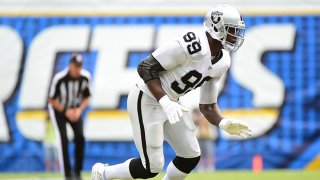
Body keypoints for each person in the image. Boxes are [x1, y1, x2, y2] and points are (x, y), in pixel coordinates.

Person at [91, 4, 251, 180]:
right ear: (216, 28)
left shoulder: (223, 61)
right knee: (151, 167)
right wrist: (165, 102)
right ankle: (102, 174)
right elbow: (145, 67)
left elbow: (207, 106)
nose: (235, 36)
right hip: (147, 98)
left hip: (172, 103)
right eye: (232, 30)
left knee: (190, 155)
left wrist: (223, 122)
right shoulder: (193, 45)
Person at [48, 53, 91, 180]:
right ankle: (67, 174)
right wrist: (66, 111)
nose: (77, 69)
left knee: (80, 137)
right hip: (59, 111)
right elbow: (51, 99)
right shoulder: (60, 78)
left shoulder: (85, 77)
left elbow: (86, 97)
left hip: (75, 109)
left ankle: (77, 173)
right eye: (75, 66)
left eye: (79, 66)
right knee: (63, 139)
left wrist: (79, 110)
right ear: (69, 65)